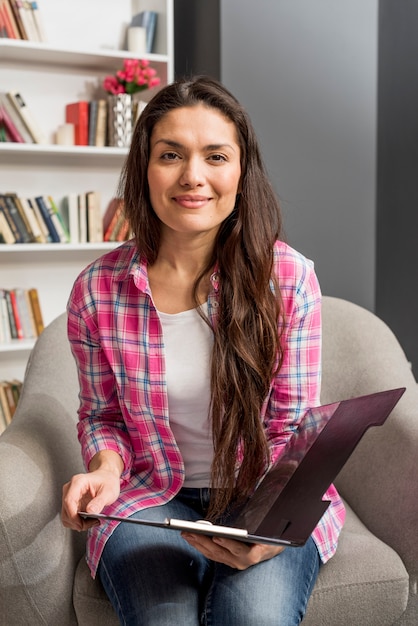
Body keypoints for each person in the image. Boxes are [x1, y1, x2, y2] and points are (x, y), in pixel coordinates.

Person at [61, 76, 345, 626]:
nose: (193, 176)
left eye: (216, 156)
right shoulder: (96, 290)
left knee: (251, 618)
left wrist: (273, 531)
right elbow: (103, 415)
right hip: (149, 499)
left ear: (242, 171)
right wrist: (105, 467)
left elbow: (292, 429)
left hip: (263, 492)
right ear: (144, 170)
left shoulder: (287, 279)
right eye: (171, 155)